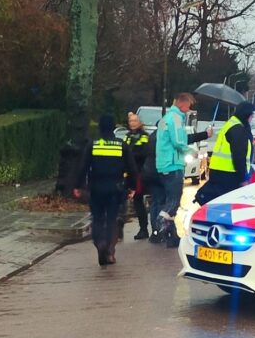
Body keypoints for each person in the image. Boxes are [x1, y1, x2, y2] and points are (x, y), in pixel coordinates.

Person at [74, 115, 139, 265]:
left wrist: (78, 186)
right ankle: (109, 249)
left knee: (97, 218)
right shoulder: (121, 144)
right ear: (113, 128)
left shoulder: (93, 144)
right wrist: (133, 187)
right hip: (115, 188)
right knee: (112, 218)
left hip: (96, 188)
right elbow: (132, 168)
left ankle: (100, 243)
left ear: (100, 128)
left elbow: (83, 166)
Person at [153, 93, 209, 248]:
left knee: (170, 198)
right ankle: (161, 221)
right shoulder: (176, 119)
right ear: (181, 103)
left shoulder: (166, 118)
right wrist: (191, 152)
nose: (189, 108)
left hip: (164, 164)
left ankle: (172, 236)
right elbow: (179, 142)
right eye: (188, 105)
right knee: (174, 200)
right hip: (173, 164)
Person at [197, 102, 255, 205]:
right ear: (246, 115)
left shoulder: (231, 124)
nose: (252, 118)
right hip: (229, 174)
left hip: (218, 171)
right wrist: (243, 178)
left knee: (219, 204)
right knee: (229, 205)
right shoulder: (238, 128)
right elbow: (239, 156)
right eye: (252, 115)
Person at [123, 112, 161, 240]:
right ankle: (142, 229)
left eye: (135, 121)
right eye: (131, 121)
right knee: (136, 201)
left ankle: (151, 228)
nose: (132, 123)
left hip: (141, 172)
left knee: (146, 200)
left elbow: (144, 153)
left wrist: (130, 155)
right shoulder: (127, 136)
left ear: (140, 123)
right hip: (130, 173)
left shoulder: (145, 136)